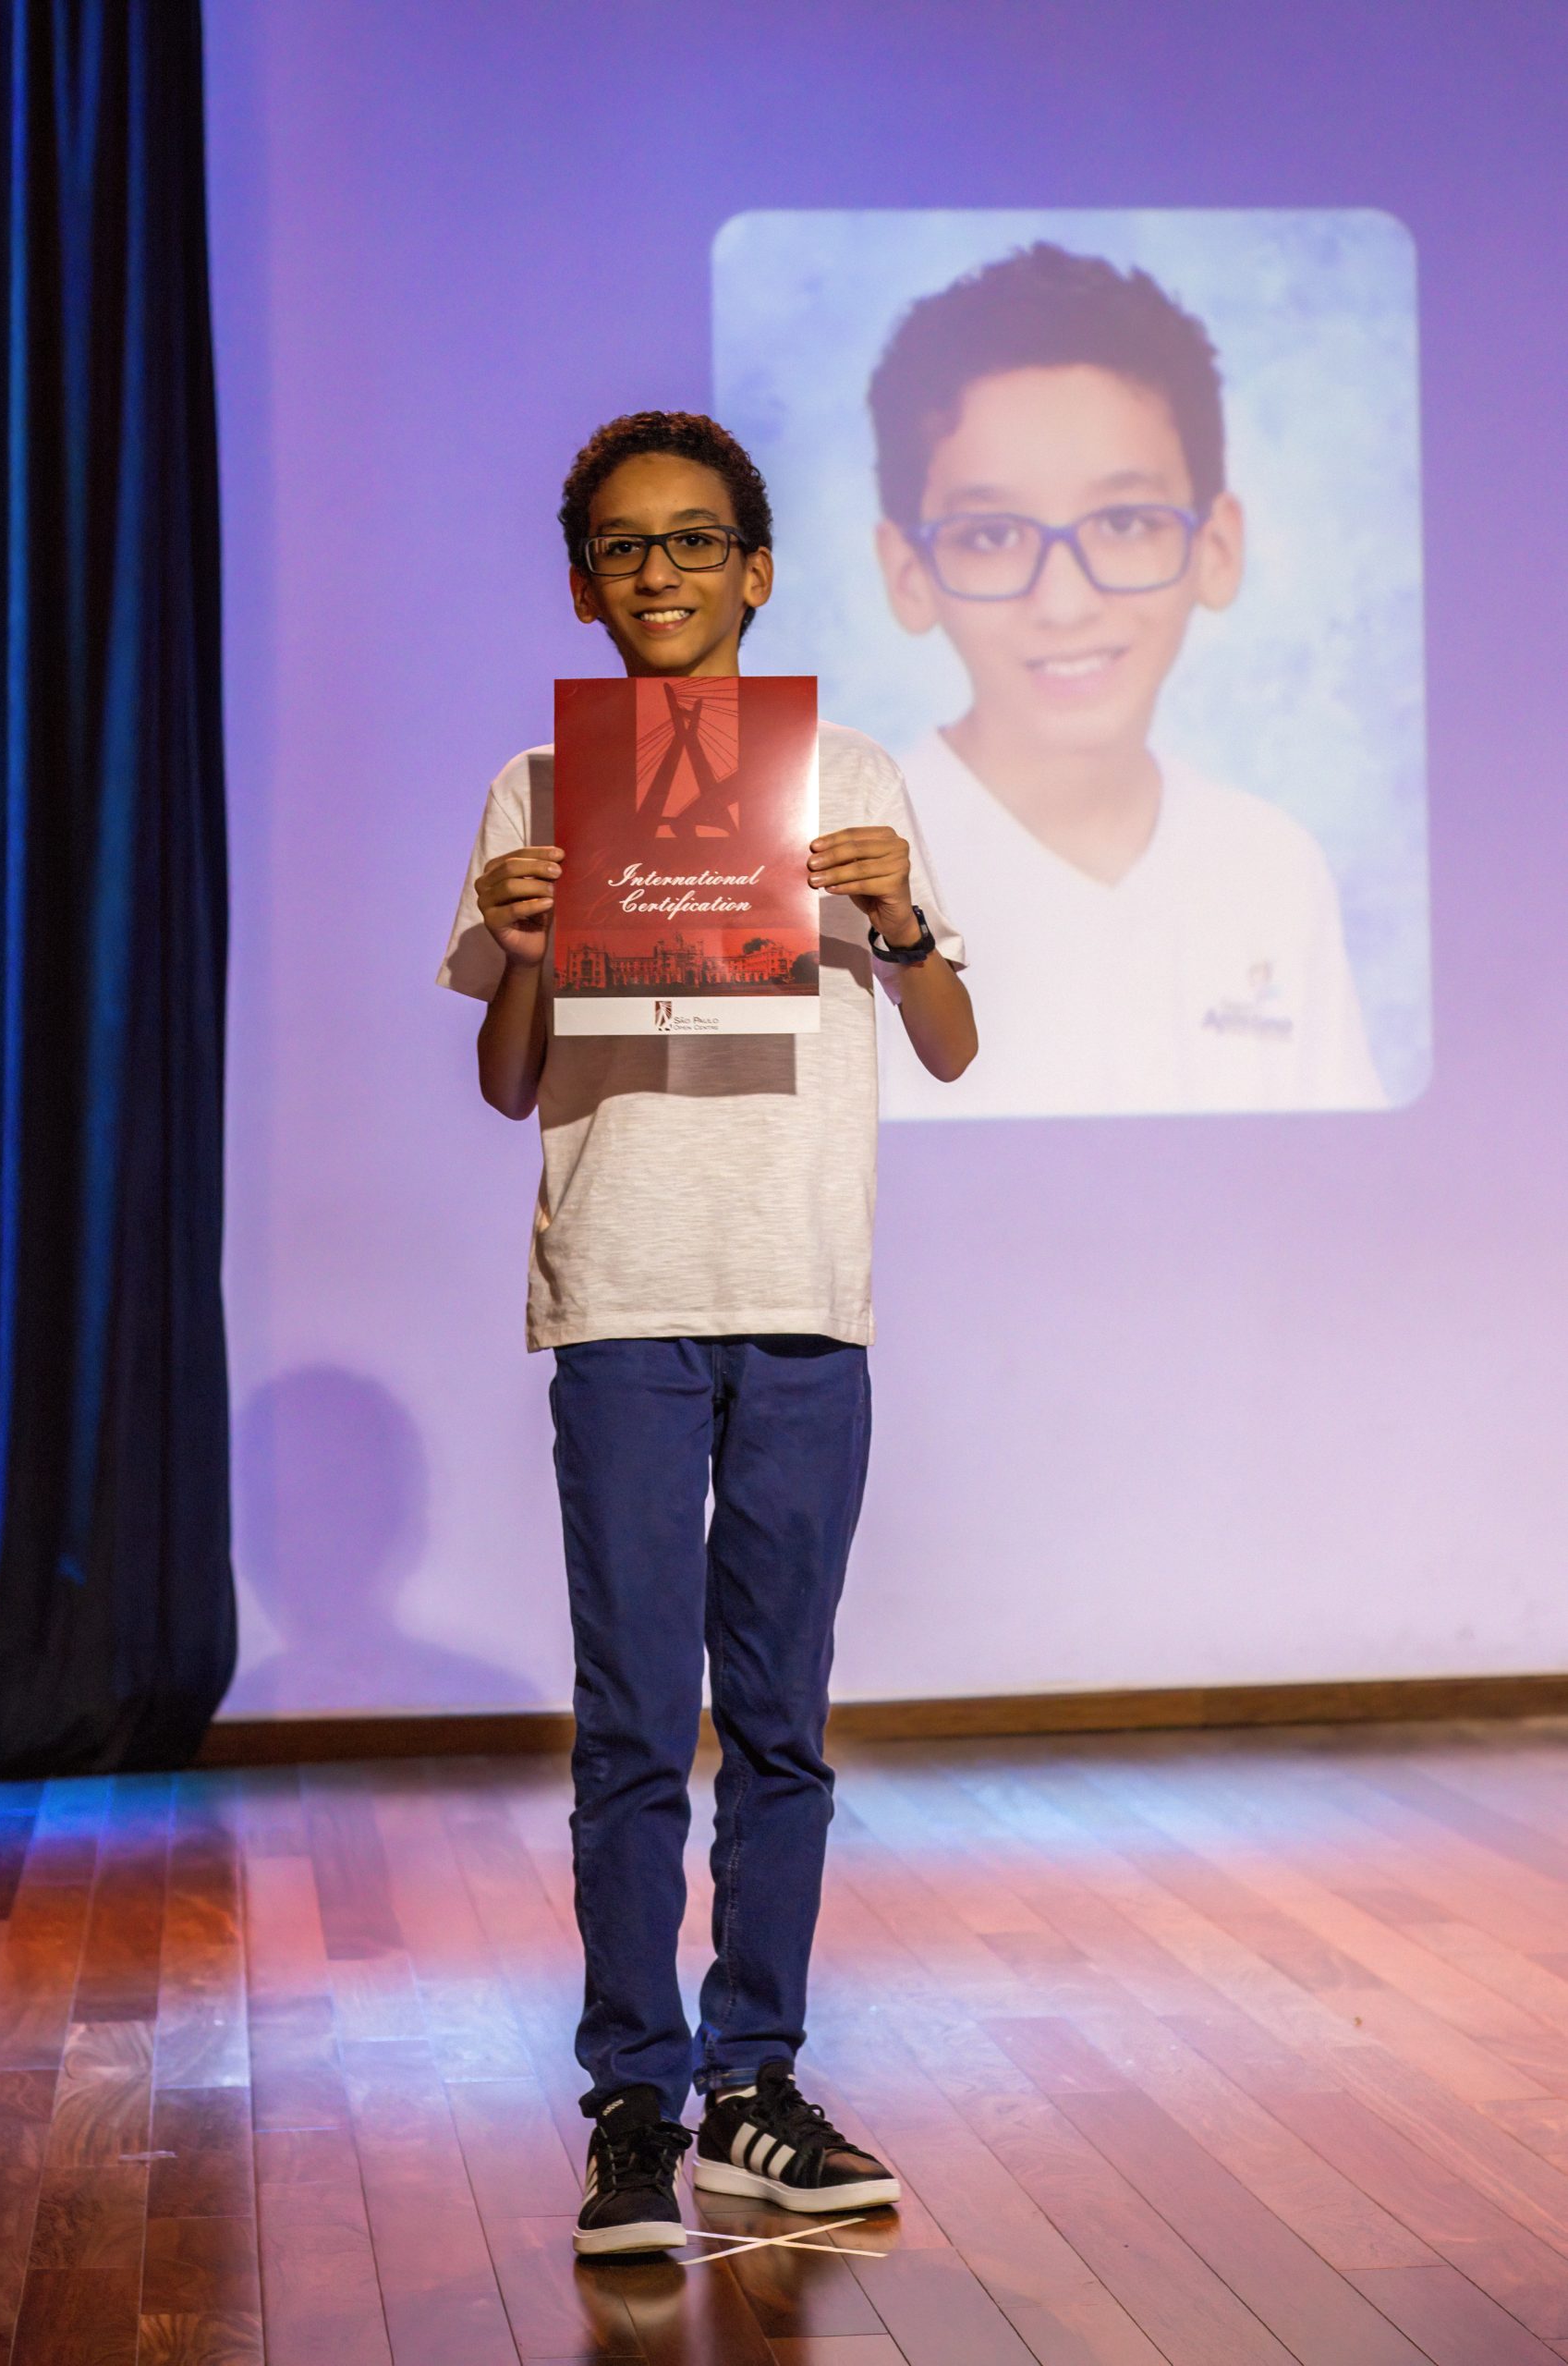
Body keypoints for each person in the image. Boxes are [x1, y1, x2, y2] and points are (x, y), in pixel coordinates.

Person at [438, 412, 974, 2256]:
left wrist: (897, 917)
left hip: (805, 1292)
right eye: (620, 544)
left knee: (779, 1722)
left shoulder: (853, 772)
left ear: (755, 568)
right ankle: (628, 2102)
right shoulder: (538, 787)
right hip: (623, 1292)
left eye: (689, 539)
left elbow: (951, 1041)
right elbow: (505, 1081)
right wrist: (521, 950)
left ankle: (753, 2086)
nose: (655, 570)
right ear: (581, 583)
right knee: (627, 1724)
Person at [868, 239, 1385, 1119]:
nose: (1064, 603)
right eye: (992, 536)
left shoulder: (1271, 866)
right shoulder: (852, 872)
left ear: (1215, 548)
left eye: (1123, 522)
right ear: (908, 574)